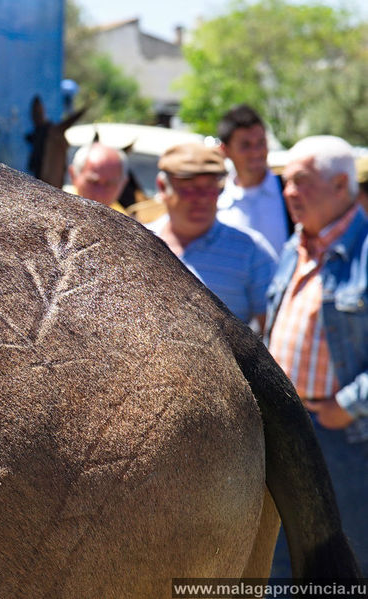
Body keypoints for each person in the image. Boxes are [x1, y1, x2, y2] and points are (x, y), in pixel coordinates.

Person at [265, 135, 368, 576]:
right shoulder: (295, 247)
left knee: (352, 558)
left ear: (341, 184)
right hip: (287, 428)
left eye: (301, 182)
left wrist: (348, 406)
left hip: (346, 438)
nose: (289, 193)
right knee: (281, 555)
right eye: (286, 182)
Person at [147, 142, 277, 330]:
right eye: (189, 188)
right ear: (162, 187)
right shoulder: (138, 242)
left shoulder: (250, 250)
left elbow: (273, 330)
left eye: (210, 188)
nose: (201, 198)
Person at [216, 104, 292, 256]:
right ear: (225, 150)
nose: (256, 153)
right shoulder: (214, 202)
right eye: (246, 145)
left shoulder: (291, 193)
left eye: (261, 143)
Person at [64, 142, 128, 214]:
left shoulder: (126, 222)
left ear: (123, 184)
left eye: (109, 184)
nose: (100, 194)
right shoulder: (56, 207)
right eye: (93, 182)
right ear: (73, 175)